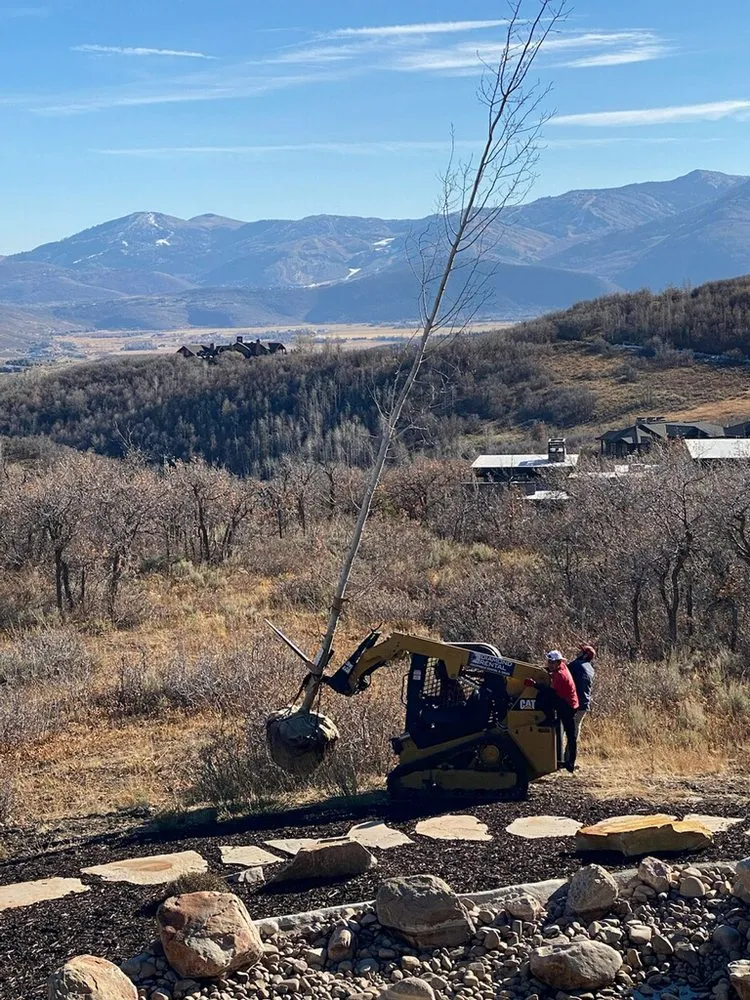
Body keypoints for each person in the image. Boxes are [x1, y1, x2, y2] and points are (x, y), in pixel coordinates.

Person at [527, 650, 579, 772]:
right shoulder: (561, 668)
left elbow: (549, 691)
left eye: (552, 662)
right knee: (570, 734)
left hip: (568, 706)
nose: (550, 665)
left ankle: (570, 762)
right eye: (549, 662)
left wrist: (534, 684)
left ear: (558, 662)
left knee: (571, 734)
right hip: (568, 702)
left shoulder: (559, 675)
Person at [567, 644, 596, 763]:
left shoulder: (576, 665)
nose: (578, 652)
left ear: (584, 655)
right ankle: (570, 756)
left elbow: (562, 671)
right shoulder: (590, 668)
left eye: (581, 651)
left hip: (574, 703)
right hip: (584, 704)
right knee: (575, 729)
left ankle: (568, 758)